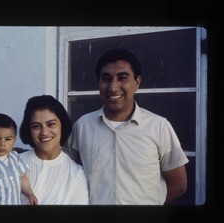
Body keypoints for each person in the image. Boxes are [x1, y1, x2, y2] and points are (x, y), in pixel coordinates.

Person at [63, 48, 189, 205]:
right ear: (99, 83)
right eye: (106, 78)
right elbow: (63, 171)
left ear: (137, 82)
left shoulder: (159, 126)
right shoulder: (82, 126)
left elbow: (179, 185)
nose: (113, 87)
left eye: (122, 78)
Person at [19, 95, 89, 204]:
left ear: (62, 125)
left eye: (51, 124)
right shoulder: (14, 163)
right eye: (36, 126)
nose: (44, 132)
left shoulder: (76, 175)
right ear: (29, 129)